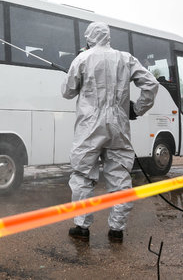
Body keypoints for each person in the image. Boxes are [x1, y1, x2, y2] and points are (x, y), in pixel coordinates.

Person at [61, 22, 159, 243]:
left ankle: (82, 227)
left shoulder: (82, 59)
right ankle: (116, 229)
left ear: (89, 38)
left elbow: (67, 92)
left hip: (89, 127)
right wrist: (138, 108)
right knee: (119, 177)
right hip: (118, 126)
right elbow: (151, 84)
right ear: (107, 37)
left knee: (83, 175)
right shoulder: (125, 58)